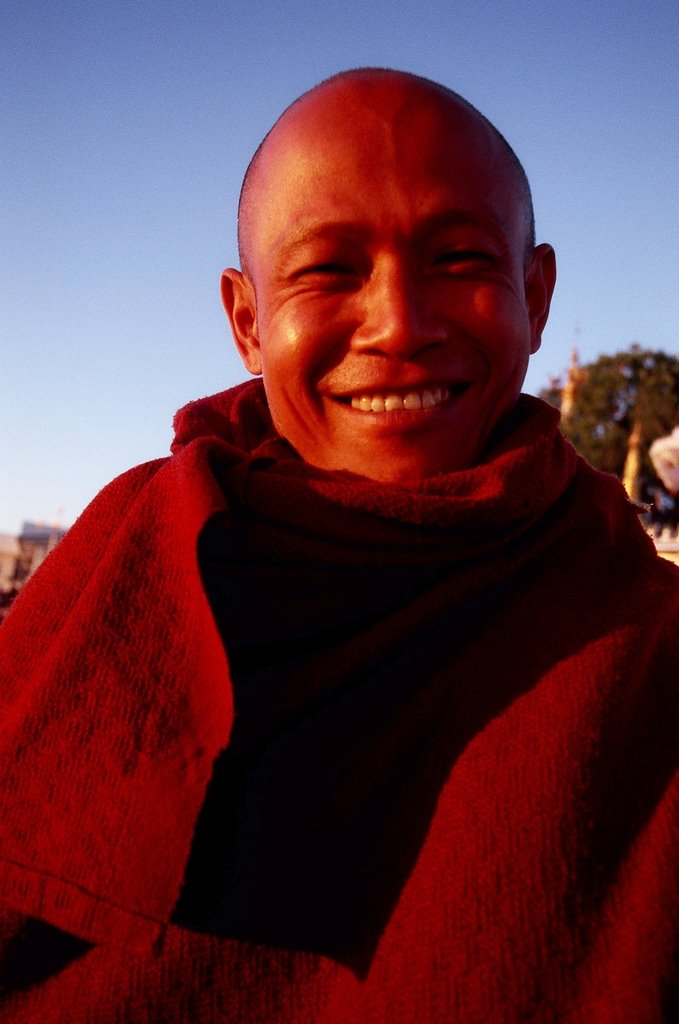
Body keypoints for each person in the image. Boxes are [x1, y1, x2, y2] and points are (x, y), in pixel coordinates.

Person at [0, 68, 677, 1023]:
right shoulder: (144, 559)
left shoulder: (636, 629)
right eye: (327, 270)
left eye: (459, 260)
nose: (399, 323)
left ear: (535, 293)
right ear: (246, 321)